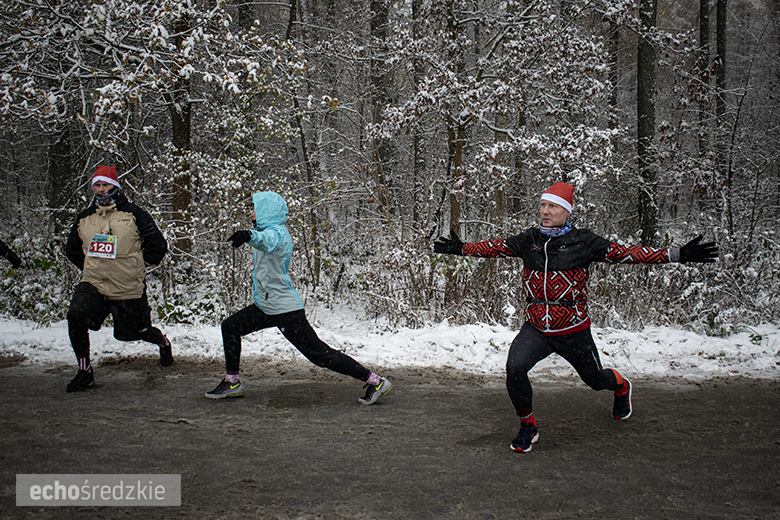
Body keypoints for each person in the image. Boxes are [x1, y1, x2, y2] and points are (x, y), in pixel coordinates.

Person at [434, 182, 718, 452]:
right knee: (515, 368)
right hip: (537, 328)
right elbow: (494, 247)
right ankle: (528, 426)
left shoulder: (583, 242)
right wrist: (460, 248)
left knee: (595, 380)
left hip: (573, 330)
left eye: (552, 207)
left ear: (566, 211)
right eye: (543, 205)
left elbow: (626, 254)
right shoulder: (529, 241)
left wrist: (676, 254)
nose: (545, 211)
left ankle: (621, 386)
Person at [205, 191, 393, 405]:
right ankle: (232, 382)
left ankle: (375, 381)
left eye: (254, 209)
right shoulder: (269, 231)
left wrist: (249, 236)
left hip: (284, 310)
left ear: (266, 211)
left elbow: (267, 242)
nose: (251, 213)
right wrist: (252, 235)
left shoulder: (277, 234)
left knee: (319, 355)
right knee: (230, 327)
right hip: (266, 306)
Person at [64, 165, 172, 393]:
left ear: (116, 186)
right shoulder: (85, 218)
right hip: (94, 283)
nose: (101, 190)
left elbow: (158, 245)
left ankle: (163, 342)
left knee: (133, 333)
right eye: (97, 185)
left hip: (127, 285)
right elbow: (72, 249)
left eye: (106, 185)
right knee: (76, 315)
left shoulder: (133, 214)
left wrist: (138, 265)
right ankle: (85, 371)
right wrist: (90, 268)